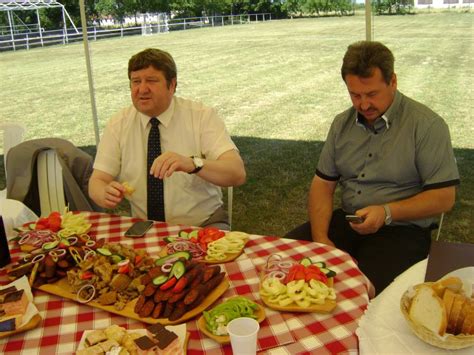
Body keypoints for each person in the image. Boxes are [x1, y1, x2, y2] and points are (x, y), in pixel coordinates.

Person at [286, 41, 460, 295]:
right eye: (355, 95)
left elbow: (445, 198)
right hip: (348, 221)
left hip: (401, 231)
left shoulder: (427, 125)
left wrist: (387, 212)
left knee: (354, 293)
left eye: (372, 94)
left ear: (393, 82)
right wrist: (322, 239)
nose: (364, 104)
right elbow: (322, 184)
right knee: (279, 261)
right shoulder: (341, 124)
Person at [89, 48, 246, 229]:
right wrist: (104, 193)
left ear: (172, 85)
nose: (142, 89)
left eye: (152, 81)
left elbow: (237, 173)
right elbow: (97, 181)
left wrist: (192, 164)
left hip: (203, 224)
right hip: (145, 227)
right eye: (136, 81)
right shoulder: (119, 123)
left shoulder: (201, 116)